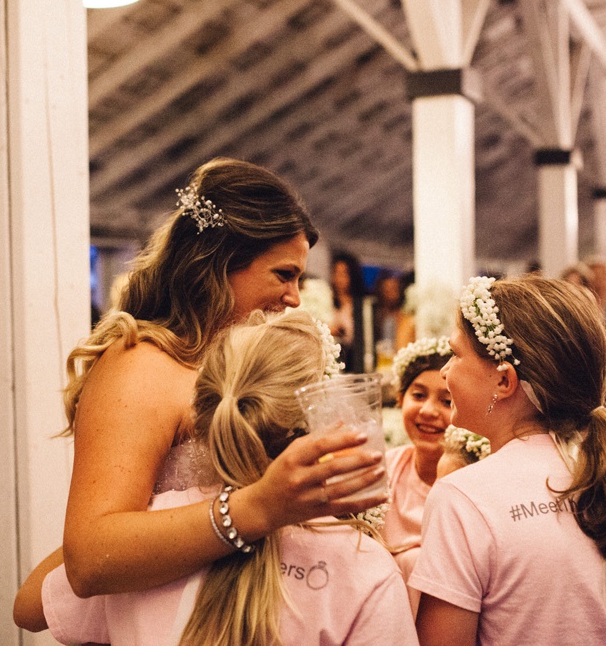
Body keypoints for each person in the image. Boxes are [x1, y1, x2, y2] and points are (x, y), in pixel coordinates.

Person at [54, 158, 388, 603]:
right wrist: (258, 509)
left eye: (299, 279)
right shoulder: (142, 365)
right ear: (219, 264)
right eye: (284, 275)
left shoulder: (248, 364)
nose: (294, 298)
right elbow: (90, 559)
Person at [13, 310, 417, 644]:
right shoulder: (361, 567)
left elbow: (27, 608)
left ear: (203, 412)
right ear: (313, 421)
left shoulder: (143, 541)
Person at [412, 276, 606, 646]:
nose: (445, 372)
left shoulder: (464, 497)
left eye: (456, 355)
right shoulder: (605, 470)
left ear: (504, 381)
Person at [381, 337, 454, 614]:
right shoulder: (384, 469)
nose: (428, 411)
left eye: (447, 401)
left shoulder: (474, 479)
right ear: (400, 399)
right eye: (418, 395)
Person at [330, 250, 369, 373]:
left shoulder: (360, 305)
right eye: (336, 273)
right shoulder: (327, 300)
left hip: (354, 361)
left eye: (344, 273)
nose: (339, 278)